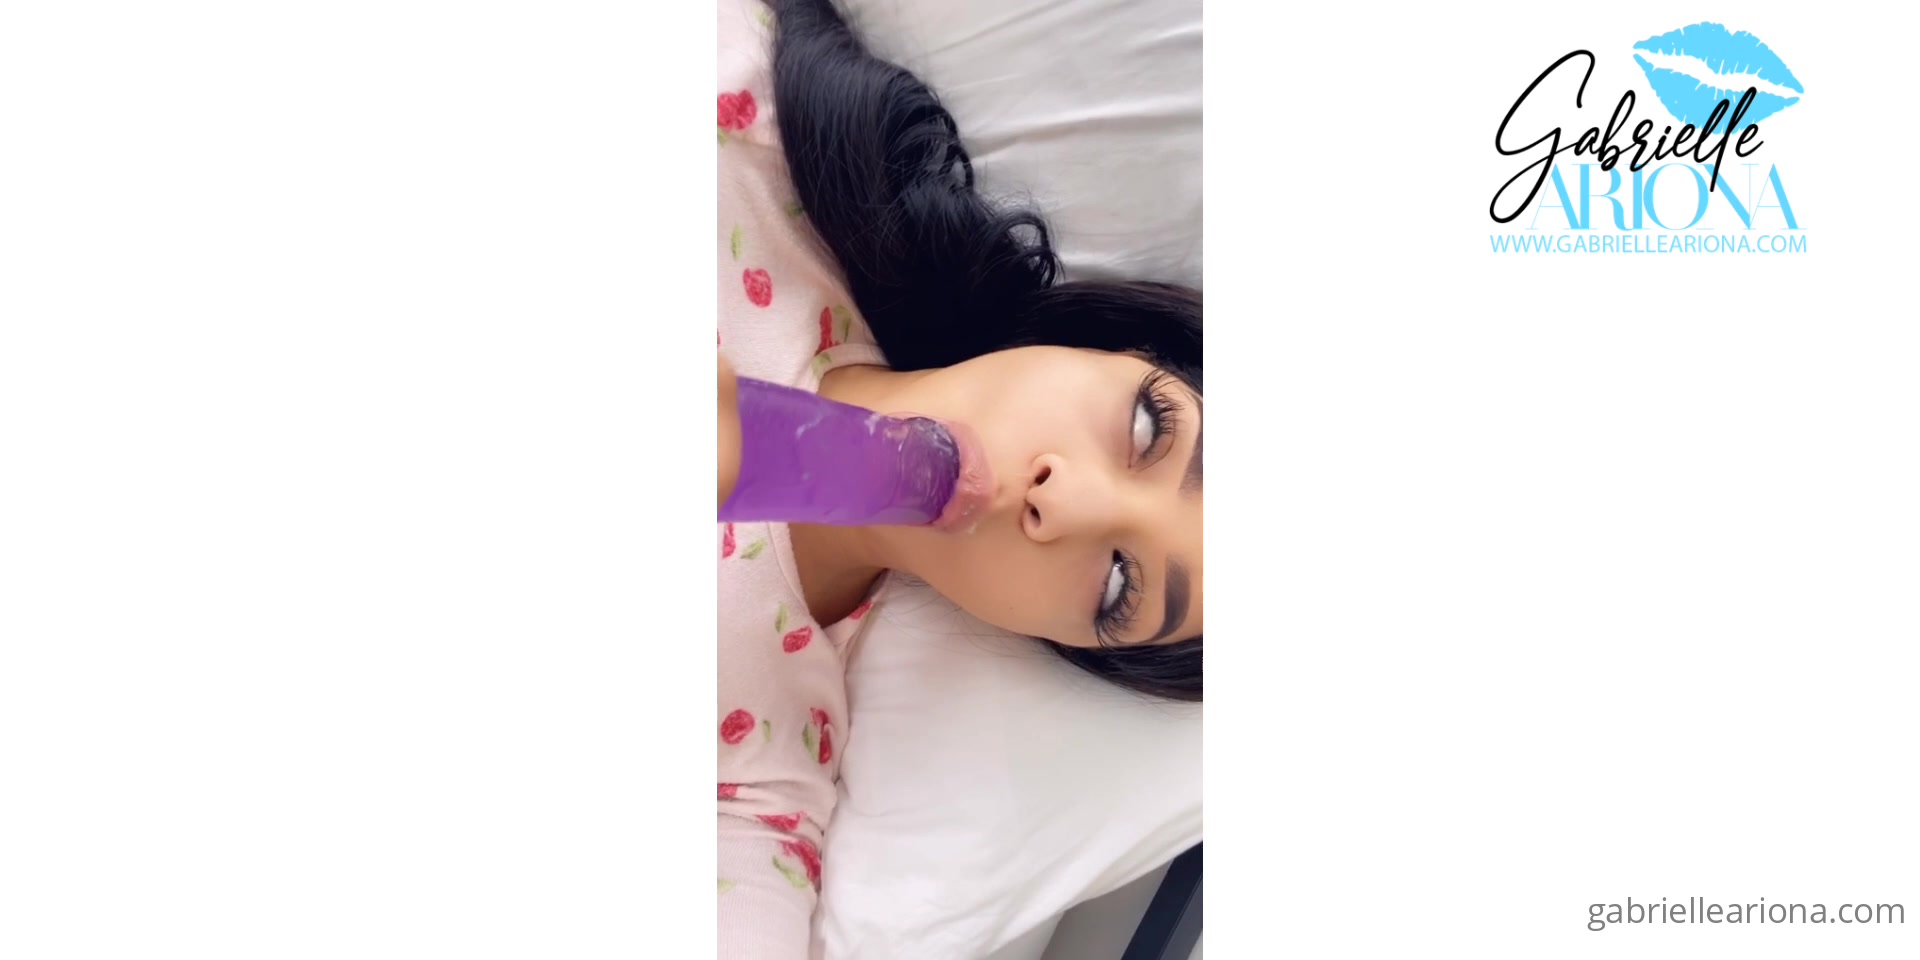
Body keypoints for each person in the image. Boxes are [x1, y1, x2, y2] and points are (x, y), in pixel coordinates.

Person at [715, 0, 1201, 953]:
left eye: (1119, 584)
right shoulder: (748, 140)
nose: (1061, 499)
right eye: (1148, 429)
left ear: (1055, 640)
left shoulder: (763, 773)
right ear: (1102, 345)